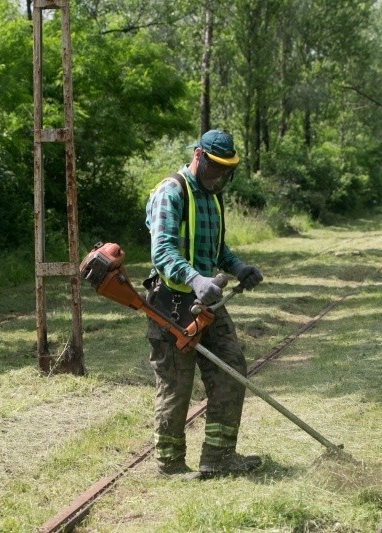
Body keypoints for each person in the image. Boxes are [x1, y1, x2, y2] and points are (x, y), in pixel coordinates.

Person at [144, 129, 264, 479]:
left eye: (227, 170)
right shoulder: (172, 191)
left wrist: (238, 267)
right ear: (199, 155)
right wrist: (195, 279)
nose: (220, 176)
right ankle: (170, 464)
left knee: (232, 368)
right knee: (176, 383)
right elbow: (162, 251)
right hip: (171, 304)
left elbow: (216, 249)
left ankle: (219, 456)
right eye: (215, 167)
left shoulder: (212, 196)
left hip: (207, 303)